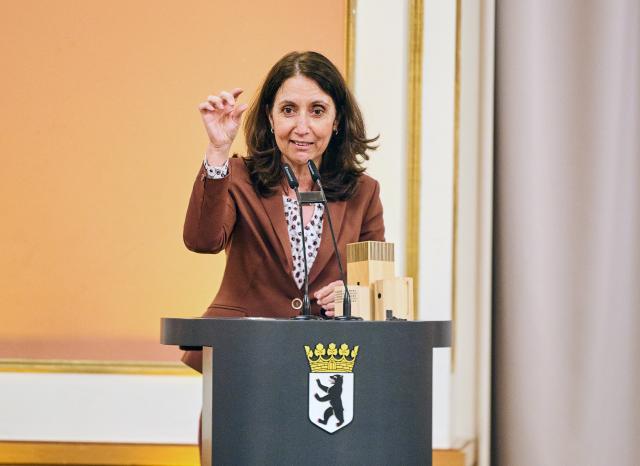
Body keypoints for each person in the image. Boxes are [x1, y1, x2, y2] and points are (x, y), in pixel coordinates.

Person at [182, 51, 385, 372]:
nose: (302, 127)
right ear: (270, 117)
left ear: (336, 121)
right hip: (244, 355)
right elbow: (201, 241)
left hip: (327, 363)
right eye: (288, 110)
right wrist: (218, 150)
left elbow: (377, 284)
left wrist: (354, 295)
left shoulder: (364, 192)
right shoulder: (237, 175)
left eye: (317, 111)